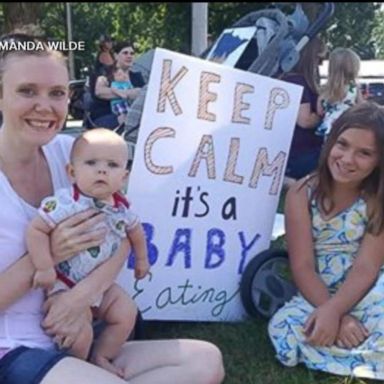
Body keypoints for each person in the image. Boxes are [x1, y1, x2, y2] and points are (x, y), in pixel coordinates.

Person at [0, 33, 225, 384]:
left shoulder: (74, 153)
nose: (44, 106)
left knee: (205, 361)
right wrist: (48, 254)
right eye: (27, 91)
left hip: (82, 335)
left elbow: (121, 230)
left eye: (57, 93)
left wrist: (81, 297)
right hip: (13, 349)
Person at [268, 102, 384, 380]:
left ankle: (346, 347)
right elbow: (303, 266)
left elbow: (366, 268)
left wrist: (336, 310)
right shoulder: (301, 194)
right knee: (283, 326)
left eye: (364, 153)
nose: (347, 159)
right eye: (342, 144)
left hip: (365, 288)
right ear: (330, 141)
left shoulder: (377, 200)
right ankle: (357, 349)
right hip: (317, 291)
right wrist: (334, 314)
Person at [26, 128, 149, 377]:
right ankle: (78, 369)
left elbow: (136, 233)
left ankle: (100, 356)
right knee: (81, 332)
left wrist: (142, 260)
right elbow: (36, 231)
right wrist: (44, 266)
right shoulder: (64, 203)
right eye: (92, 163)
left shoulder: (121, 208)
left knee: (127, 313)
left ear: (124, 177)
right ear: (72, 172)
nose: (102, 170)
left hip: (102, 287)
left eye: (112, 165)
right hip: (64, 283)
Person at [281, 37, 327, 186]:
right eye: (319, 59)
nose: (320, 64)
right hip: (301, 154)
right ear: (310, 57)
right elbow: (305, 120)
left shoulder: (289, 79)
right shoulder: (296, 81)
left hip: (296, 153)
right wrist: (327, 117)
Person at [88, 40, 145, 129]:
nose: (129, 56)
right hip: (104, 115)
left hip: (133, 115)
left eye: (132, 53)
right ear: (116, 56)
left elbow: (142, 94)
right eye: (125, 53)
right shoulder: (104, 72)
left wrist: (111, 92)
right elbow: (100, 92)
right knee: (126, 119)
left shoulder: (137, 76)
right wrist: (129, 93)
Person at [316, 47, 363, 138]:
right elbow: (361, 106)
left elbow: (320, 111)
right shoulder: (353, 88)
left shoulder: (324, 90)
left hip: (329, 128)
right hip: (348, 126)